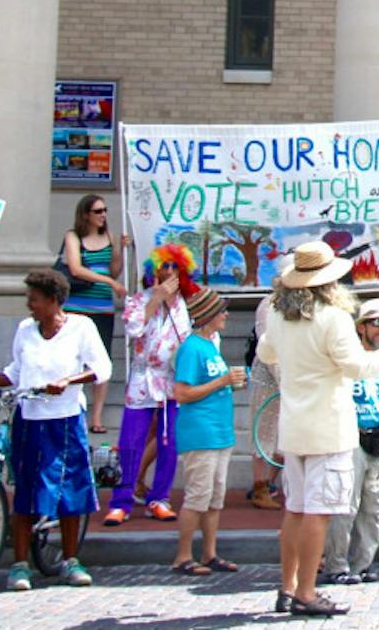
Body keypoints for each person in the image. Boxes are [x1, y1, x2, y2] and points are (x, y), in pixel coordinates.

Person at [255, 241, 379, 617]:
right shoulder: (333, 317)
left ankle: (288, 586)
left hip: (295, 424)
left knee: (295, 509)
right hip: (330, 425)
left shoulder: (279, 314)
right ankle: (306, 591)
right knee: (318, 513)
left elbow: (266, 354)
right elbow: (358, 366)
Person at [0, 268, 112, 590]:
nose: (29, 305)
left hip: (65, 421)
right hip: (30, 420)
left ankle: (70, 560)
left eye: (34, 300)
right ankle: (20, 566)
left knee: (70, 490)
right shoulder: (25, 329)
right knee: (25, 490)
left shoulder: (81, 327)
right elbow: (15, 372)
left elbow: (102, 369)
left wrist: (67, 381)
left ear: (52, 301)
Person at [105, 243, 193, 525]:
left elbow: (188, 339)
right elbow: (133, 330)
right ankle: (121, 501)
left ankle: (160, 497)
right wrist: (155, 300)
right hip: (143, 381)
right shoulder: (138, 300)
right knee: (131, 441)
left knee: (169, 443)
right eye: (164, 266)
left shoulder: (184, 306)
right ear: (153, 270)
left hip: (171, 381)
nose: (168, 272)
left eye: (174, 267)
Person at [322, 299, 379, 585]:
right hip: (349, 436)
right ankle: (336, 565)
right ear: (361, 327)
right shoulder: (349, 358)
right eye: (377, 322)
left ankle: (362, 564)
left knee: (373, 504)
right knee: (346, 505)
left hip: (377, 435)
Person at [170, 288, 245, 577]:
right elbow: (183, 393)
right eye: (221, 311)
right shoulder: (191, 348)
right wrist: (222, 381)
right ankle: (183, 555)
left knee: (215, 498)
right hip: (200, 434)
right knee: (198, 497)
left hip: (219, 433)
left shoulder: (210, 346)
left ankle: (209, 553)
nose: (226, 315)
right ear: (207, 316)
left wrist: (231, 382)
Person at [60, 193, 131, 434]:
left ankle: (96, 416)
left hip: (102, 307)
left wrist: (120, 250)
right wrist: (109, 283)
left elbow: (114, 271)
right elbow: (76, 269)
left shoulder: (108, 236)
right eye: (98, 211)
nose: (103, 215)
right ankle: (71, 408)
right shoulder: (73, 236)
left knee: (101, 359)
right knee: (73, 358)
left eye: (105, 210)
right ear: (85, 215)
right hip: (77, 305)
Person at [246, 293, 283, 509]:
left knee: (288, 436)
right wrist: (283, 379)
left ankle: (269, 481)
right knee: (263, 432)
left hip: (295, 375)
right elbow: (266, 342)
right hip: (268, 375)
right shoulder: (269, 305)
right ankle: (260, 486)